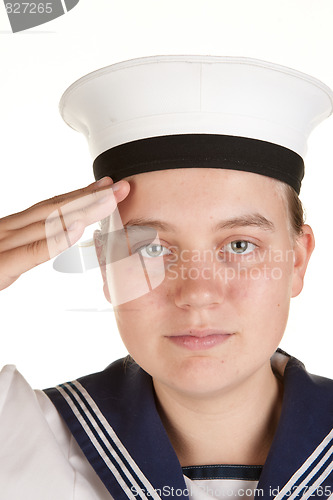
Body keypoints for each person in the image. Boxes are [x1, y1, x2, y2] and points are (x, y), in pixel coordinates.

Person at [0, 55, 333, 500]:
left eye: (238, 245)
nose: (197, 294)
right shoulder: (22, 443)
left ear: (296, 260)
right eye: (151, 248)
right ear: (105, 266)